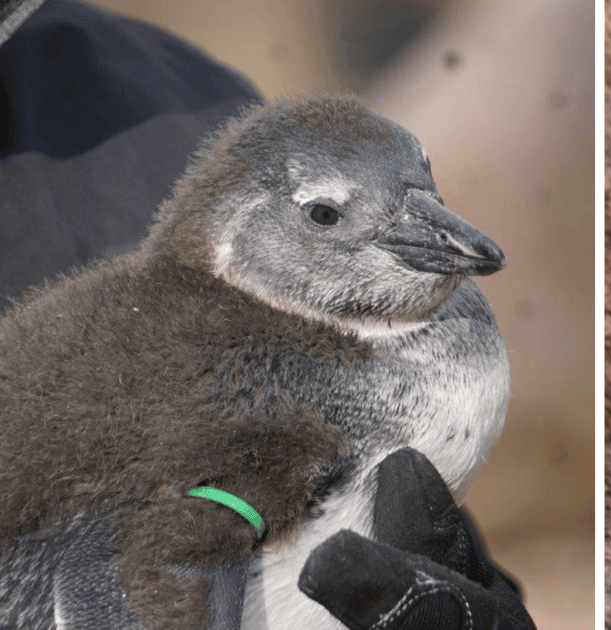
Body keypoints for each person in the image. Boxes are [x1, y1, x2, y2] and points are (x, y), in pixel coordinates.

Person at [0, 1, 534, 627]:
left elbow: (404, 547)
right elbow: (143, 557)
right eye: (327, 215)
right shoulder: (280, 416)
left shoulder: (158, 104)